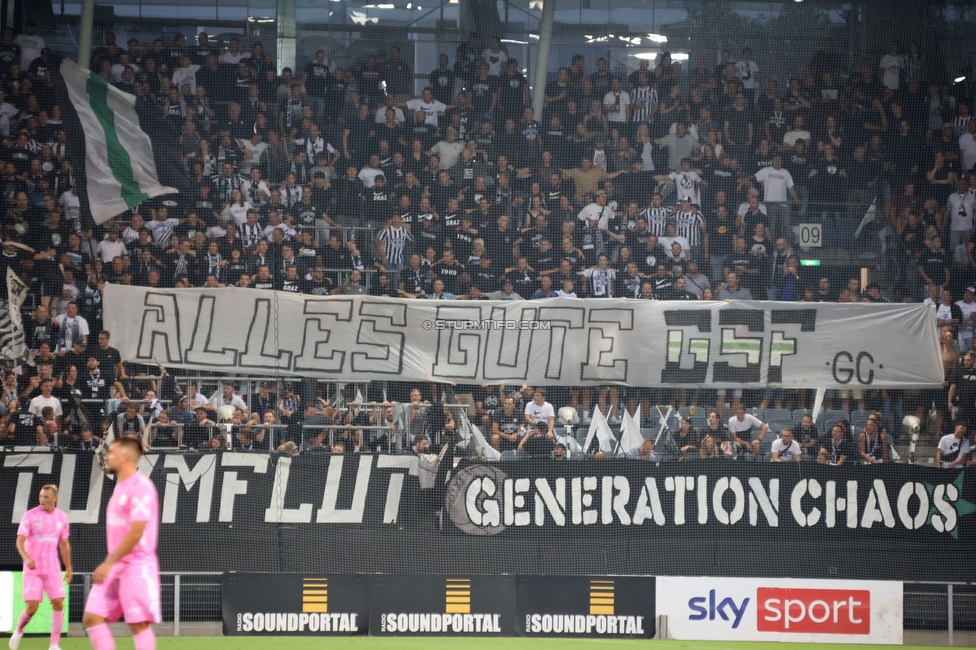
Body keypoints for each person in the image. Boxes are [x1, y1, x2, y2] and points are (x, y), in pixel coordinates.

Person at [83, 438, 161, 650]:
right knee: (92, 617)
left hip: (136, 564)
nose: (107, 456)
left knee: (138, 624)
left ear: (125, 457)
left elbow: (136, 532)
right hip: (116, 564)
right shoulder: (120, 487)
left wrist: (108, 563)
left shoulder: (141, 486)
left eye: (112, 453)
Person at [10, 485, 72, 650]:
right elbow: (19, 541)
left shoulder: (62, 518)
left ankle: (54, 645)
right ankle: (19, 630)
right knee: (32, 608)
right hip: (33, 568)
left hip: (52, 568)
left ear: (55, 499)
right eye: (40, 496)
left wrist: (69, 568)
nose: (42, 500)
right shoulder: (30, 516)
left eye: (46, 497)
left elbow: (64, 544)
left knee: (59, 602)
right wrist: (26, 558)